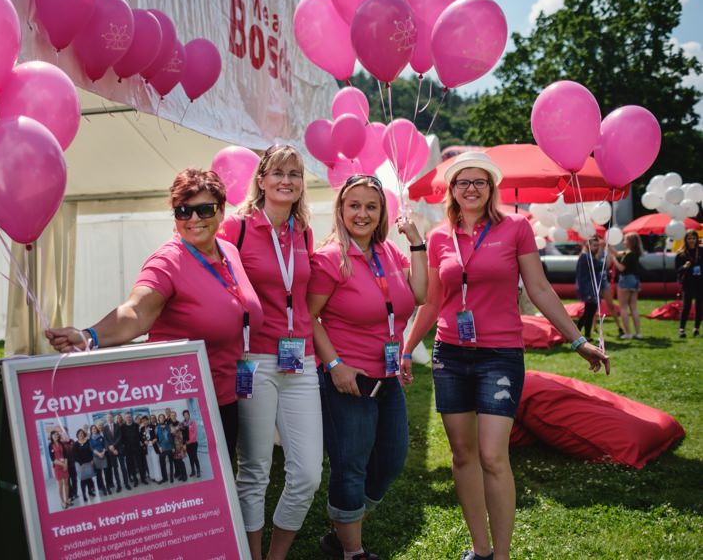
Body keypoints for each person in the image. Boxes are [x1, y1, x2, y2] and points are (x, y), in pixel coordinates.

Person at [402, 152, 610, 560]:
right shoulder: (440, 237)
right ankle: (480, 550)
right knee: (462, 455)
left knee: (493, 455)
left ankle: (502, 555)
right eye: (464, 182)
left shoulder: (514, 227)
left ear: (491, 188)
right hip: (450, 355)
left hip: (499, 354)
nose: (472, 189)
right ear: (452, 189)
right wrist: (408, 350)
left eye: (480, 182)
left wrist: (576, 340)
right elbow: (431, 303)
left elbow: (540, 288)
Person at [46, 168, 264, 461]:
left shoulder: (228, 250)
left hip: (228, 393)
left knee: (224, 485)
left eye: (204, 209)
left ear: (222, 210)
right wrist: (89, 336)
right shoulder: (167, 261)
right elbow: (135, 312)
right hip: (186, 400)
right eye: (183, 211)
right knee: (195, 490)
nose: (194, 219)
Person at [307, 174, 428, 560]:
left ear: (382, 213)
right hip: (349, 381)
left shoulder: (389, 254)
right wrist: (335, 365)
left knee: (391, 460)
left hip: (388, 377)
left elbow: (422, 294)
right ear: (340, 209)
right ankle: (351, 551)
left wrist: (417, 243)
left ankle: (340, 531)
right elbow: (308, 318)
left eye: (371, 207)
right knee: (351, 465)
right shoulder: (328, 258)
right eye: (354, 205)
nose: (362, 213)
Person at [217, 144, 322, 560]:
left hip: (302, 359)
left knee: (308, 474)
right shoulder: (235, 228)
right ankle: (252, 555)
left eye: (294, 174)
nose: (286, 181)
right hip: (253, 361)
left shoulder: (304, 232)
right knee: (255, 471)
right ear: (260, 180)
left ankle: (276, 556)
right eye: (278, 173)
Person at [611, 232, 644, 339]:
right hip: (635, 280)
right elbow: (617, 253)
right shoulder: (634, 252)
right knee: (633, 307)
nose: (624, 242)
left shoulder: (629, 253)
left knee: (623, 307)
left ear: (630, 242)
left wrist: (613, 260)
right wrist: (609, 245)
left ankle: (628, 333)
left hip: (626, 280)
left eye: (625, 240)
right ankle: (638, 332)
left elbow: (621, 268)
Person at [575, 236, 604, 338]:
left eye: (598, 245)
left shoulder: (588, 256)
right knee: (589, 313)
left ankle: (581, 333)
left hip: (591, 288)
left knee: (589, 312)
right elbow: (601, 265)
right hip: (589, 289)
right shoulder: (586, 257)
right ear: (588, 246)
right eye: (595, 245)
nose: (597, 248)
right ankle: (582, 334)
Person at [676, 229, 702, 337]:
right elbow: (677, 270)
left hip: (700, 282)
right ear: (686, 240)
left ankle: (696, 328)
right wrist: (684, 267)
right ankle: (682, 329)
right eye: (689, 238)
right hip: (688, 282)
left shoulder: (701, 251)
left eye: (693, 238)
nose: (691, 240)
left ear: (697, 239)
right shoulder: (681, 254)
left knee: (699, 306)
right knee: (686, 306)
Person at [103, 413, 131, 493]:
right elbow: (105, 440)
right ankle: (118, 485)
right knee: (115, 469)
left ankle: (126, 483)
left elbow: (119, 437)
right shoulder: (105, 428)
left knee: (123, 468)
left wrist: (114, 446)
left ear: (112, 418)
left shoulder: (117, 426)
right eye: (108, 417)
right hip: (111, 451)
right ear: (106, 419)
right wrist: (111, 447)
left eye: (110, 417)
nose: (109, 418)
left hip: (119, 449)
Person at [122, 412, 148, 486]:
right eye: (127, 417)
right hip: (128, 450)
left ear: (131, 418)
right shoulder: (122, 427)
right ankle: (135, 480)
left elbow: (140, 436)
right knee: (132, 465)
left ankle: (143, 479)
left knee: (140, 464)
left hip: (137, 448)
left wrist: (143, 442)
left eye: (129, 417)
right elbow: (122, 439)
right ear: (125, 418)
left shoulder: (136, 425)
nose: (128, 418)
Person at [48, 430, 71, 510]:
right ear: (51, 436)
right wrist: (63, 464)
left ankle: (67, 500)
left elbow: (65, 455)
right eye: (54, 435)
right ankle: (62, 501)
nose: (56, 436)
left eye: (57, 435)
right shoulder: (50, 445)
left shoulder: (61, 444)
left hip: (64, 465)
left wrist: (66, 464)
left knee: (66, 484)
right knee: (60, 485)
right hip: (57, 466)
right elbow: (53, 459)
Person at [73, 428, 97, 502]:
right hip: (81, 464)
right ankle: (84, 495)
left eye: (82, 433)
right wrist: (81, 463)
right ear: (77, 435)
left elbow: (91, 451)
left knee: (89, 478)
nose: (81, 435)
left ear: (84, 434)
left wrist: (92, 459)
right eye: (79, 434)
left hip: (89, 463)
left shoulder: (88, 441)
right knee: (83, 480)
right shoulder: (76, 444)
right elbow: (75, 455)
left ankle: (90, 492)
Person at [89, 423, 111, 496]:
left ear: (97, 429)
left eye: (95, 428)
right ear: (91, 431)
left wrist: (103, 452)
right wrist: (99, 454)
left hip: (103, 456)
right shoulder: (90, 439)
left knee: (106, 473)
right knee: (99, 474)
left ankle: (108, 487)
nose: (94, 430)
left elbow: (105, 445)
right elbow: (92, 448)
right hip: (96, 457)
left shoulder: (101, 437)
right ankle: (102, 488)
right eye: (92, 429)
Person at [141, 415, 163, 483]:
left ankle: (158, 478)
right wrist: (144, 441)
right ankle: (152, 476)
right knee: (149, 463)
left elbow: (157, 436)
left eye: (146, 420)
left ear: (148, 420)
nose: (145, 422)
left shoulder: (153, 427)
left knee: (155, 462)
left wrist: (154, 440)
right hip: (147, 448)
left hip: (154, 446)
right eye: (143, 421)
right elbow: (141, 438)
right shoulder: (141, 429)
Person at [156, 413, 175, 483]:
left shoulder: (168, 426)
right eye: (160, 417)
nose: (161, 419)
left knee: (171, 463)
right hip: (162, 448)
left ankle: (171, 477)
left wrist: (173, 447)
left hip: (170, 447)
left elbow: (172, 437)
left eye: (163, 417)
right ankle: (165, 478)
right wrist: (159, 447)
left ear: (164, 419)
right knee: (162, 464)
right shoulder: (157, 428)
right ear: (158, 419)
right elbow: (156, 439)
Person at [182, 409, 201, 478]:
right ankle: (193, 471)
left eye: (187, 414)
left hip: (193, 443)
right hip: (187, 444)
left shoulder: (193, 422)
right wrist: (185, 442)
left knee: (195, 456)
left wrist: (190, 441)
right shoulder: (182, 424)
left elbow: (195, 433)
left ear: (189, 415)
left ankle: (198, 470)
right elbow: (182, 434)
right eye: (184, 415)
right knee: (190, 457)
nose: (186, 416)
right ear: (183, 416)